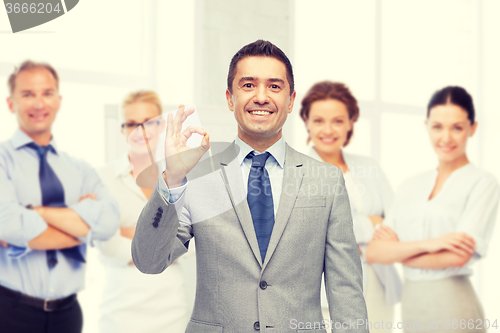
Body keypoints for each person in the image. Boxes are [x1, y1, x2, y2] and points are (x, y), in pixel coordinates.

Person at [132, 40, 369, 332]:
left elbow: (346, 290)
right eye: (248, 85)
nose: (261, 97)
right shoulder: (198, 176)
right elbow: (149, 260)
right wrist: (173, 178)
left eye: (274, 86)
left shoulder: (327, 180)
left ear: (291, 100)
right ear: (230, 99)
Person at [366, 86, 499, 333]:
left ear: (473, 128)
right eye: (438, 127)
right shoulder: (410, 185)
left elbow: (458, 255)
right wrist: (432, 244)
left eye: (457, 128)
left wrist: (396, 251)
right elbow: (374, 252)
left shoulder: (483, 182)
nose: (446, 138)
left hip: (454, 306)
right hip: (412, 306)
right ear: (426, 125)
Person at [0, 60, 120, 333]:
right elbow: (8, 224)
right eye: (28, 94)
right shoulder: (2, 161)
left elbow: (109, 222)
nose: (39, 103)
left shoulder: (79, 168)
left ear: (59, 100)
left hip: (68, 315)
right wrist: (81, 220)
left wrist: (35, 212)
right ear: (11, 103)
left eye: (47, 93)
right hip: (10, 313)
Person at [300, 81, 400, 331]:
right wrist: (371, 223)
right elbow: (308, 230)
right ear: (306, 121)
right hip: (323, 291)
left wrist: (346, 234)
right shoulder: (297, 171)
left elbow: (398, 221)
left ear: (350, 122)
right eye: (319, 120)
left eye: (338, 120)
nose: (328, 129)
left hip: (378, 283)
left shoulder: (369, 166)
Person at [96, 90, 189, 333]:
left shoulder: (178, 176)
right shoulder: (103, 179)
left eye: (147, 123)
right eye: (131, 123)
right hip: (121, 308)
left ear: (160, 126)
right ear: (122, 129)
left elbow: (191, 239)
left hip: (171, 306)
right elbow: (107, 243)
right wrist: (162, 240)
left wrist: (135, 234)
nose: (140, 131)